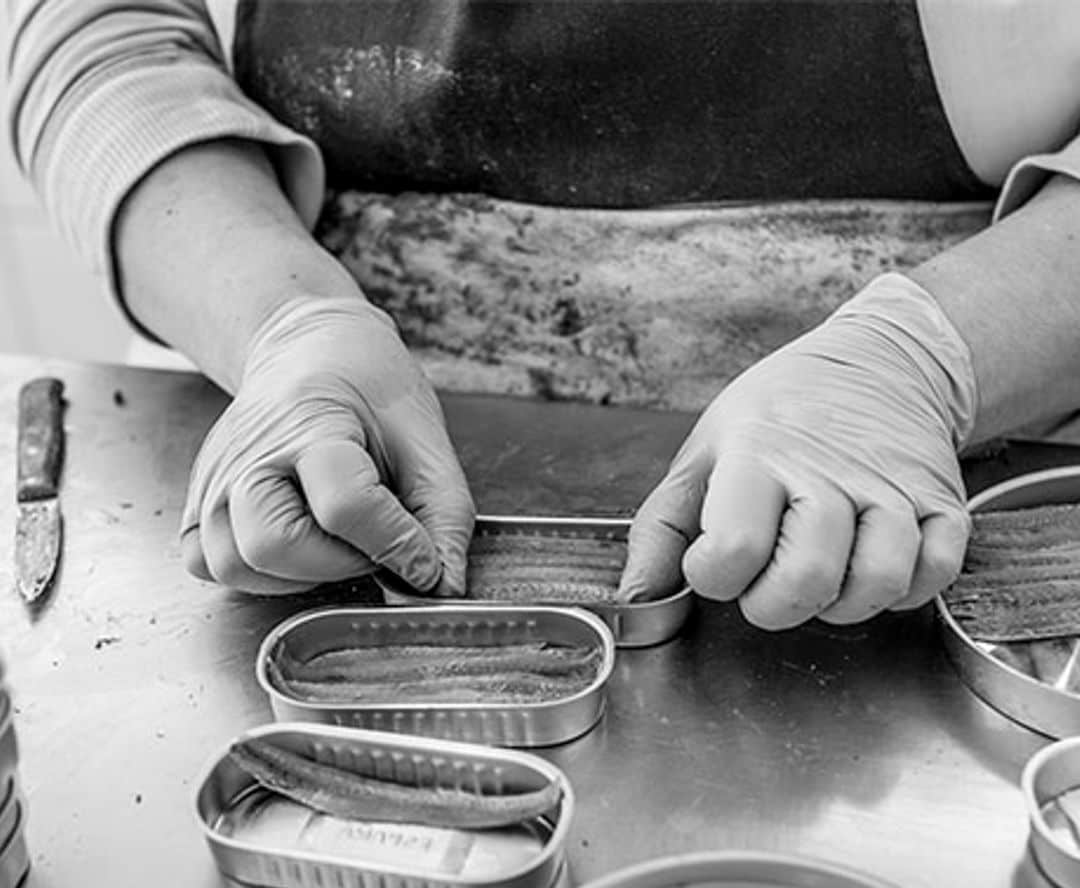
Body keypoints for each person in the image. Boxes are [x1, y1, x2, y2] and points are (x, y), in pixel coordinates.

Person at [6, 1, 1080, 630]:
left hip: (936, 508)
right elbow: (99, 35)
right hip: (338, 497)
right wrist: (278, 323)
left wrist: (921, 359)